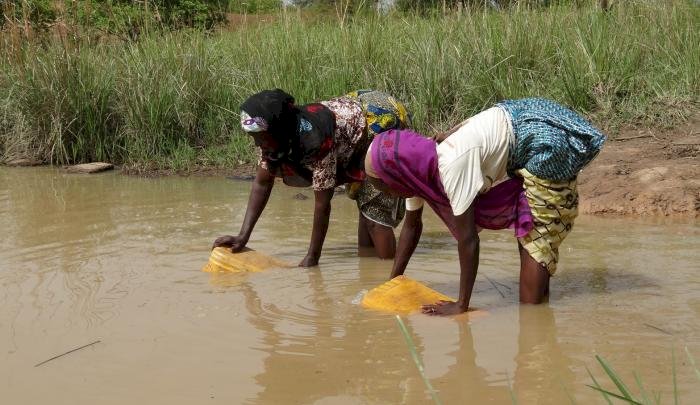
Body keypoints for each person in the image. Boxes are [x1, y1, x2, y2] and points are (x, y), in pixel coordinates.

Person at [364, 98, 606, 315]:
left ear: (395, 177)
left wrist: (461, 304)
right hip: (518, 124)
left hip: (544, 140)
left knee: (537, 240)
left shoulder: (449, 163)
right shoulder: (416, 171)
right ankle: (539, 316)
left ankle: (535, 321)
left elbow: (468, 240)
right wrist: (392, 283)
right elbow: (411, 227)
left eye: (385, 188)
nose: (388, 194)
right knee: (531, 235)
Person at [213, 89, 411, 266]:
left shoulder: (316, 143)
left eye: (259, 137)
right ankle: (369, 274)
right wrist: (242, 236)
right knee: (366, 211)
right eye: (253, 137)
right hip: (356, 115)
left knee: (375, 216)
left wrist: (313, 257)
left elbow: (322, 205)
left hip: (381, 122)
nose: (257, 143)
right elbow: (262, 184)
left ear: (277, 130)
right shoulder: (274, 139)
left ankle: (390, 276)